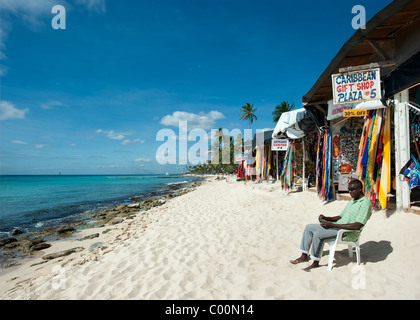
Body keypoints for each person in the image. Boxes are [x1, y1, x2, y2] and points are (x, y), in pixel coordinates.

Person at [290, 179, 372, 272]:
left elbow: (357, 226)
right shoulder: (352, 201)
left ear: (360, 189)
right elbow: (339, 217)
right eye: (348, 189)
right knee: (309, 227)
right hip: (337, 227)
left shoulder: (364, 204)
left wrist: (332, 225)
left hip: (347, 233)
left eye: (352, 189)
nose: (350, 192)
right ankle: (304, 256)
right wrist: (326, 218)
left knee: (319, 233)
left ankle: (315, 262)